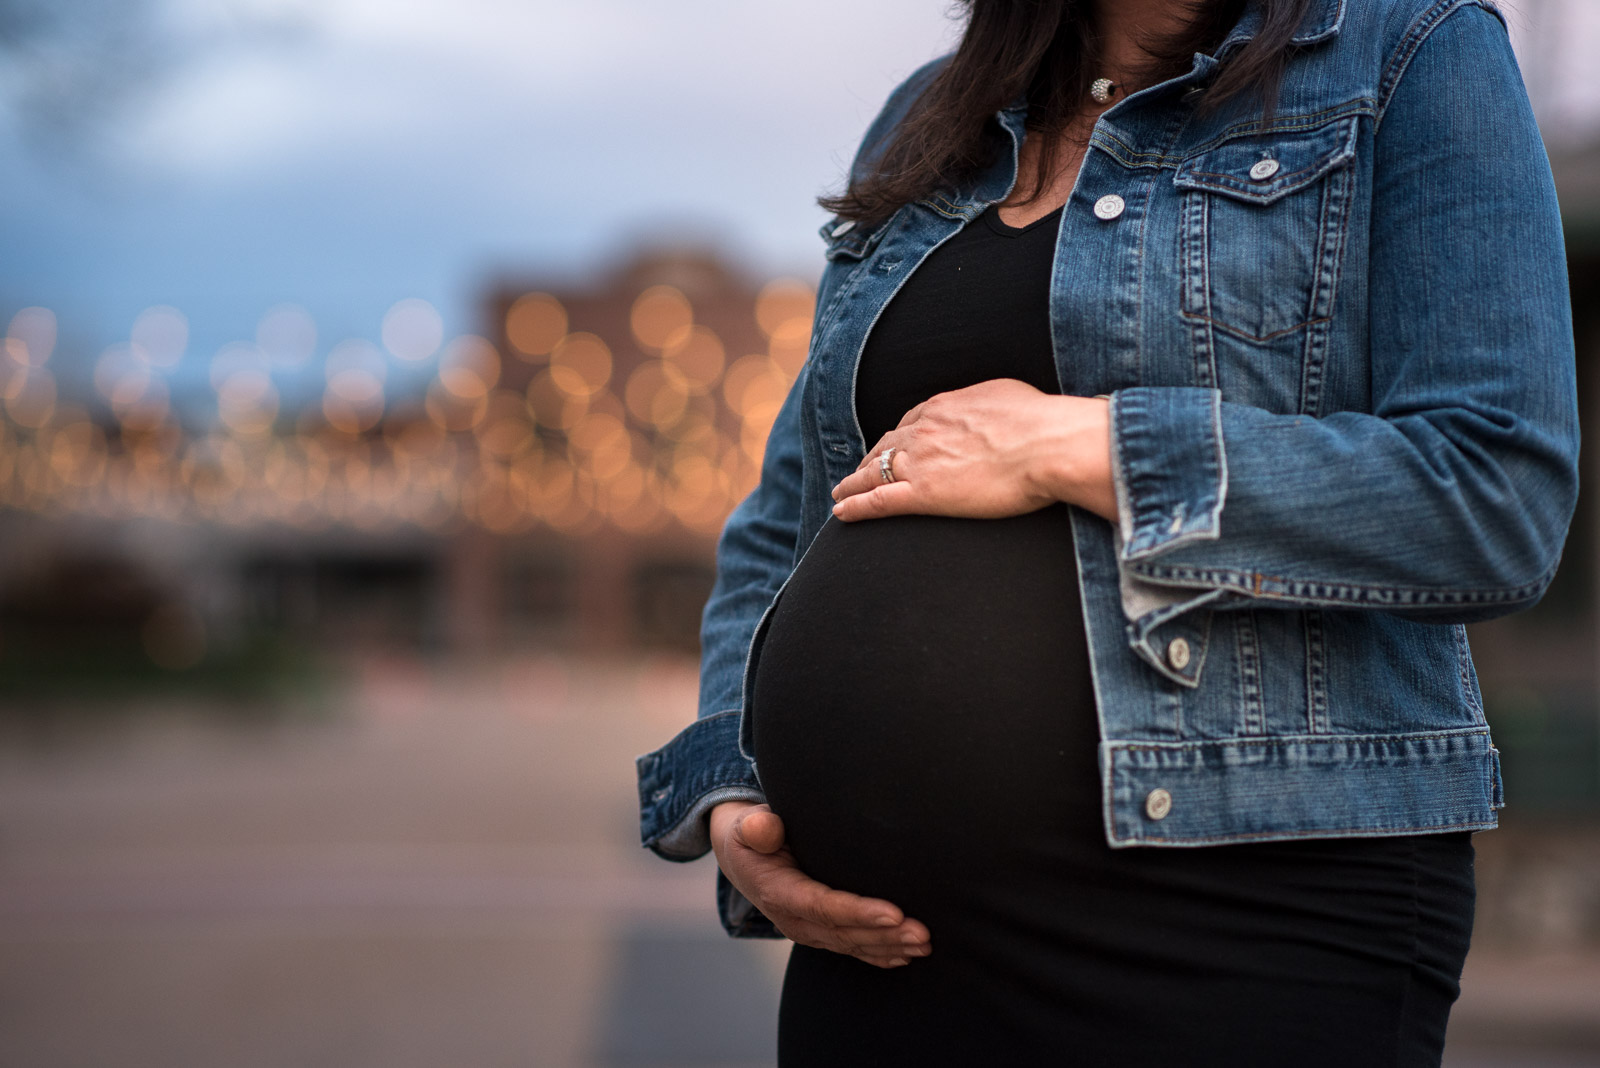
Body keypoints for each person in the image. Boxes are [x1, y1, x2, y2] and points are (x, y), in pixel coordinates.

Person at [636, 0, 1580, 1062]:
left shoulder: (1412, 52)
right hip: (877, 954)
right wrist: (734, 782)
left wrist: (1073, 449)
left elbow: (1495, 489)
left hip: (1236, 922)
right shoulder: (930, 113)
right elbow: (787, 516)